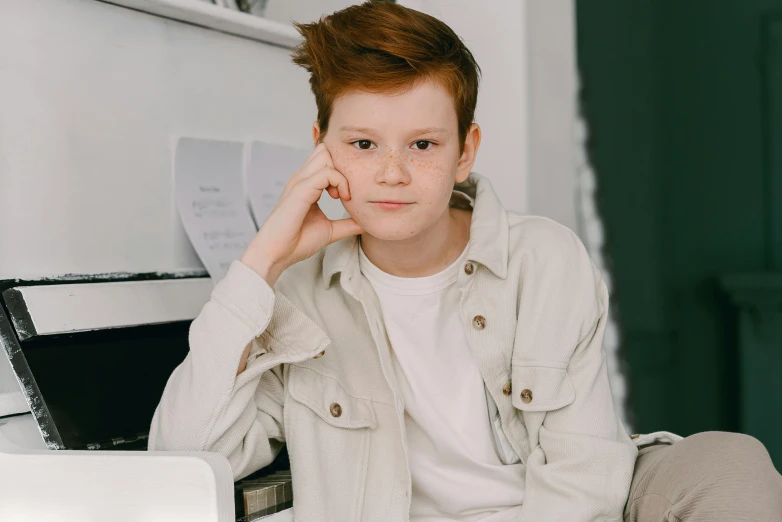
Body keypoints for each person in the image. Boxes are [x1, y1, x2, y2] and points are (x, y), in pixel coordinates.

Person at [149, 2, 782, 521]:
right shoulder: (294, 293)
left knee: (731, 464)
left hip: (568, 512)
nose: (393, 173)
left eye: (422, 144)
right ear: (321, 148)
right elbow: (185, 460)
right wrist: (261, 262)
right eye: (363, 144)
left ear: (464, 151)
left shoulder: (544, 259)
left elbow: (586, 478)